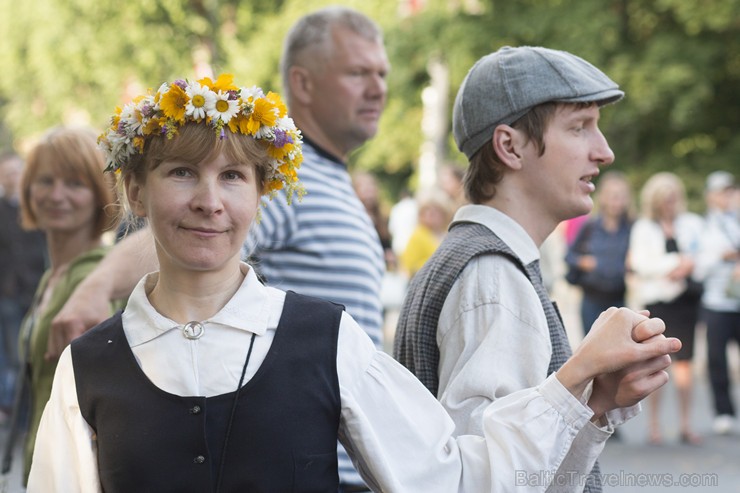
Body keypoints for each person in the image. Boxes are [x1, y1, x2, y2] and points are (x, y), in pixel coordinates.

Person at [27, 73, 680, 493]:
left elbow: (450, 477)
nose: (209, 200)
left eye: (233, 177)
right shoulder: (88, 367)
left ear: (262, 193)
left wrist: (576, 390)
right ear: (136, 188)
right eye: (180, 173)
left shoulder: (324, 338)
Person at [47, 7, 390, 491]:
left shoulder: (332, 191)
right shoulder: (292, 179)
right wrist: (94, 287)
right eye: (358, 72)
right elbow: (186, 236)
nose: (211, 202)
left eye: (231, 177)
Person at [393, 46, 654, 492]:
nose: (604, 151)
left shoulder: (483, 262)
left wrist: (595, 406)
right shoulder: (491, 276)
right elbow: (484, 480)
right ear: (510, 146)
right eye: (579, 127)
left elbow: (532, 472)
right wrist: (578, 376)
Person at [15, 126, 119, 483]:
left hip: (72, 473)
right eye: (45, 180)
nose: (56, 195)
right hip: (38, 464)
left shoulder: (95, 279)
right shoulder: (53, 277)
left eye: (75, 183)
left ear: (101, 193)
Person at [628, 171, 705, 445]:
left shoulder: (692, 223)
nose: (670, 204)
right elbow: (640, 263)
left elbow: (702, 256)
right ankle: (654, 425)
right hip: (658, 303)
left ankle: (686, 424)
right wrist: (675, 264)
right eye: (665, 199)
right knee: (656, 364)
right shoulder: (644, 228)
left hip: (686, 302)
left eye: (673, 198)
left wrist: (688, 265)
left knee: (685, 365)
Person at [0, 153, 47, 424]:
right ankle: (14, 410)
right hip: (6, 292)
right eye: (6, 173)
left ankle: (27, 410)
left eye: (15, 172)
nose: (11, 177)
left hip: (34, 288)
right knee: (13, 353)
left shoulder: (36, 207)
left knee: (32, 351)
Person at [695, 171, 740, 435]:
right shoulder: (703, 226)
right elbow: (699, 267)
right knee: (717, 360)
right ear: (711, 195)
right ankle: (723, 412)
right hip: (716, 301)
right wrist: (722, 257)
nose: (727, 196)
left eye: (730, 191)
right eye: (722, 191)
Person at [565, 171, 633, 335]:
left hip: (619, 299)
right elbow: (569, 256)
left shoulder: (632, 228)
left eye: (620, 196)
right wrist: (583, 262)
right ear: (603, 197)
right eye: (612, 196)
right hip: (591, 299)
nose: (616, 202)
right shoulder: (590, 226)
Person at [399, 188, 453, 277]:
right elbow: (409, 267)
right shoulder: (418, 235)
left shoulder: (449, 233)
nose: (430, 214)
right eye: (426, 210)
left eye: (435, 210)